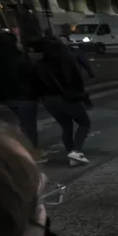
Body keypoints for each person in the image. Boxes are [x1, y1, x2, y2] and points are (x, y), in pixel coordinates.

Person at [35, 38, 92, 167]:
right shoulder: (67, 60)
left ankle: (72, 155)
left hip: (48, 100)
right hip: (66, 97)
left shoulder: (40, 63)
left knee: (66, 126)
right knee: (84, 123)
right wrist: (84, 98)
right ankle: (76, 151)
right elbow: (77, 81)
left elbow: (36, 82)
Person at [0, 31, 39, 148]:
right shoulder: (19, 57)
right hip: (25, 96)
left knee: (14, 126)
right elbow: (31, 74)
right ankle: (31, 149)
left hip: (5, 97)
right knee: (28, 126)